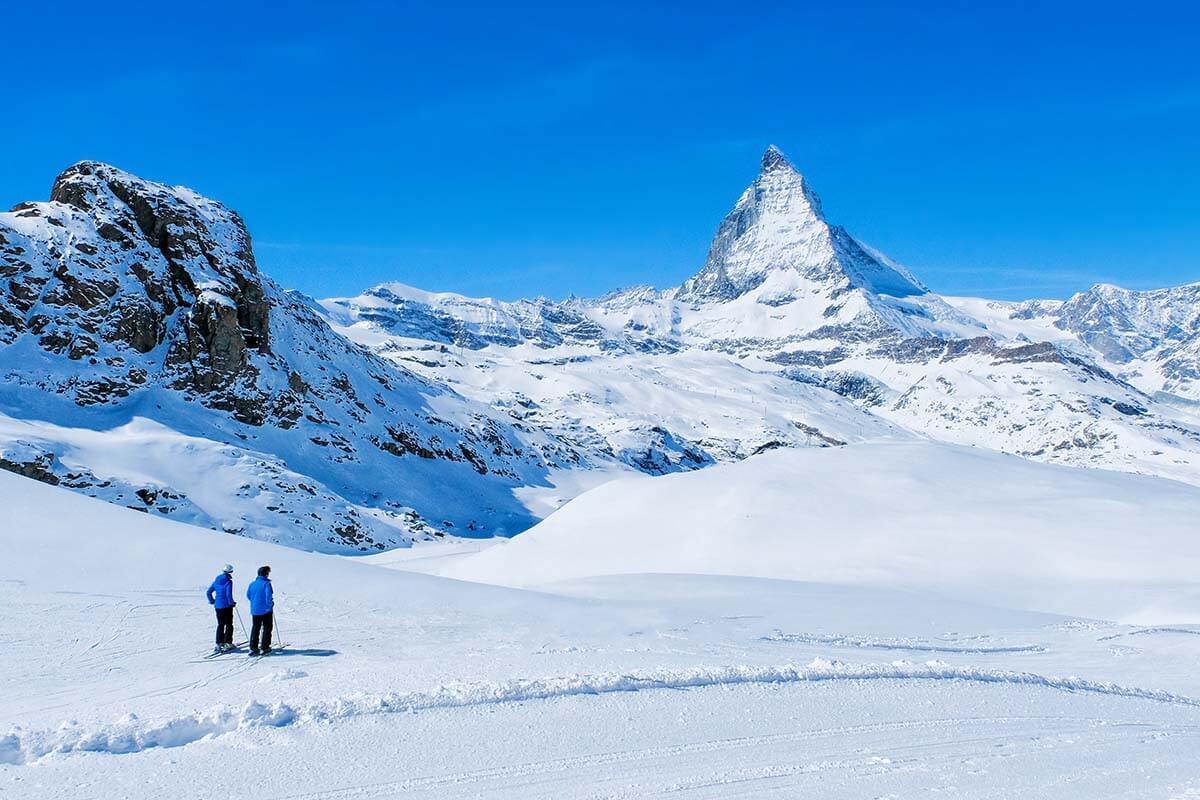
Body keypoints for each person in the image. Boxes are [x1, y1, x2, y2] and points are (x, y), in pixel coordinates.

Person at [205, 564, 236, 651]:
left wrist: (212, 601)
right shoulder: (228, 582)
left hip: (218, 606)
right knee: (229, 624)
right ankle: (228, 643)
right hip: (226, 606)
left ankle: (219, 643)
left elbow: (208, 592)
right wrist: (231, 603)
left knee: (220, 624)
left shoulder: (216, 581)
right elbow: (228, 594)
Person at [247, 565, 275, 655]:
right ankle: (265, 647)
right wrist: (270, 605)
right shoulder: (266, 584)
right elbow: (268, 596)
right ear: (266, 574)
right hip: (266, 610)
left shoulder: (252, 584)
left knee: (255, 628)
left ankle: (253, 647)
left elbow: (248, 595)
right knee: (267, 628)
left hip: (255, 610)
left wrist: (255, 602)